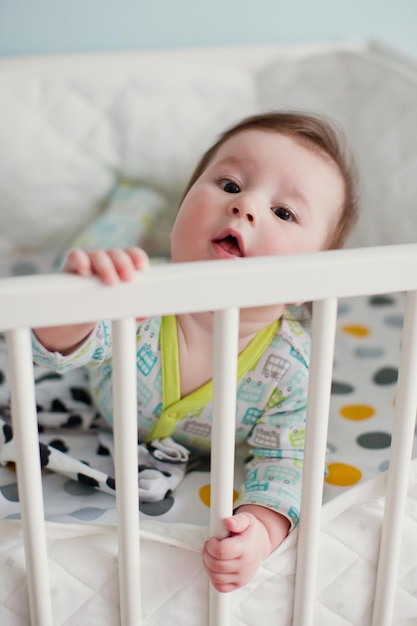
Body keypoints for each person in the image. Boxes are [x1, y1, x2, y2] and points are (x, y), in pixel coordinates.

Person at [32, 111, 358, 592]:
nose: (245, 205)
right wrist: (76, 301)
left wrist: (260, 530)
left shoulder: (291, 368)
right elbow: (61, 348)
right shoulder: (137, 298)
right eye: (228, 184)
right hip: (116, 301)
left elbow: (286, 461)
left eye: (283, 212)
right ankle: (129, 207)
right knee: (97, 254)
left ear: (311, 283)